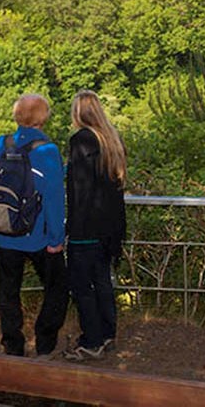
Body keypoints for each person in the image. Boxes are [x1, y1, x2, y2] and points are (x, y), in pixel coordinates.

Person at [0, 93, 68, 357]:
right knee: (57, 287)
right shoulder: (47, 151)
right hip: (38, 236)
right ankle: (45, 342)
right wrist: (57, 238)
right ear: (43, 118)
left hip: (3, 232)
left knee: (8, 289)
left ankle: (13, 345)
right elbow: (54, 198)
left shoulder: (2, 143)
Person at [63, 90, 127, 361]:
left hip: (86, 228)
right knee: (102, 281)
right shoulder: (112, 141)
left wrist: (71, 229)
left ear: (79, 113)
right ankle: (107, 332)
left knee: (81, 286)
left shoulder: (80, 141)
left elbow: (79, 190)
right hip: (109, 228)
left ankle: (92, 339)